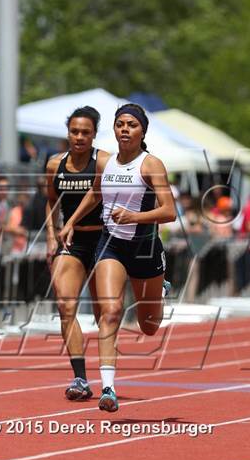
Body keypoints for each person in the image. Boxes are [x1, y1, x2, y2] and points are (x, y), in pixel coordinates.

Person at [60, 103, 176, 412]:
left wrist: (135, 216)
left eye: (132, 125)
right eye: (120, 124)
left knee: (149, 325)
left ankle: (160, 289)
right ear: (114, 128)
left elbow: (170, 211)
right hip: (110, 245)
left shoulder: (151, 165)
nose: (125, 129)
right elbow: (96, 193)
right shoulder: (105, 163)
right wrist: (70, 222)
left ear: (142, 132)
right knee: (110, 311)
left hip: (144, 249)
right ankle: (108, 387)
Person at [46, 106, 110, 401]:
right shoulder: (54, 165)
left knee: (104, 314)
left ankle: (108, 377)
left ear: (94, 134)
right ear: (67, 132)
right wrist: (50, 236)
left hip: (103, 240)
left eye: (86, 132)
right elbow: (51, 201)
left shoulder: (105, 162)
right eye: (74, 131)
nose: (79, 137)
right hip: (70, 243)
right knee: (65, 305)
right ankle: (80, 379)